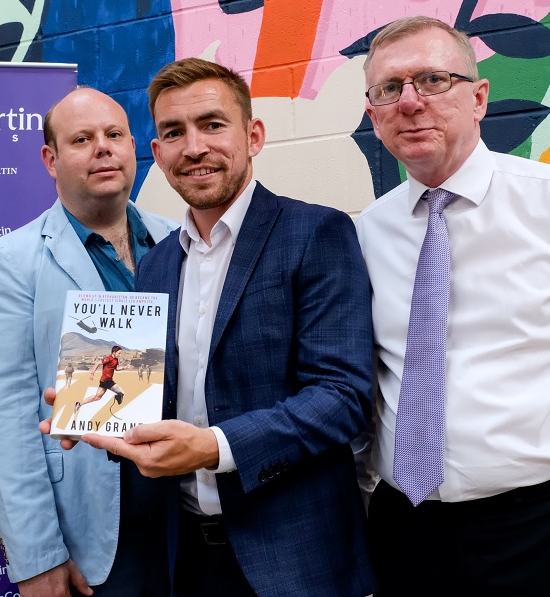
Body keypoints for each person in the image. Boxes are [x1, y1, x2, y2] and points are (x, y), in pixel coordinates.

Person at [353, 16, 550, 595]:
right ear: (373, 114)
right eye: (388, 89)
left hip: (545, 529)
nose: (409, 102)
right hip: (409, 532)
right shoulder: (365, 233)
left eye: (431, 80)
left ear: (478, 98)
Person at [82, 59, 376, 597]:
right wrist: (98, 410)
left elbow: (343, 397)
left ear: (254, 135)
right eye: (173, 132)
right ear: (159, 154)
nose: (193, 147)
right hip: (187, 559)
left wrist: (215, 447)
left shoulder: (316, 234)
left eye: (212, 124)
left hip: (296, 560)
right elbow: (150, 399)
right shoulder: (156, 264)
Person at [0, 87, 177, 597]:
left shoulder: (179, 239)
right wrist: (37, 557)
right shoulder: (13, 260)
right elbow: (7, 420)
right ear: (50, 159)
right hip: (95, 531)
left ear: (134, 147)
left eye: (114, 135)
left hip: (189, 513)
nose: (102, 148)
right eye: (82, 139)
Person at [77, 346, 125, 412]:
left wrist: (125, 367)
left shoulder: (116, 360)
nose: (120, 355)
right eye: (119, 353)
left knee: (97, 397)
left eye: (120, 353)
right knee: (121, 392)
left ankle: (79, 404)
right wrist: (92, 374)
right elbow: (97, 363)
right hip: (106, 381)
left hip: (105, 381)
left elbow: (116, 368)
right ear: (114, 352)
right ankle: (117, 397)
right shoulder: (109, 358)